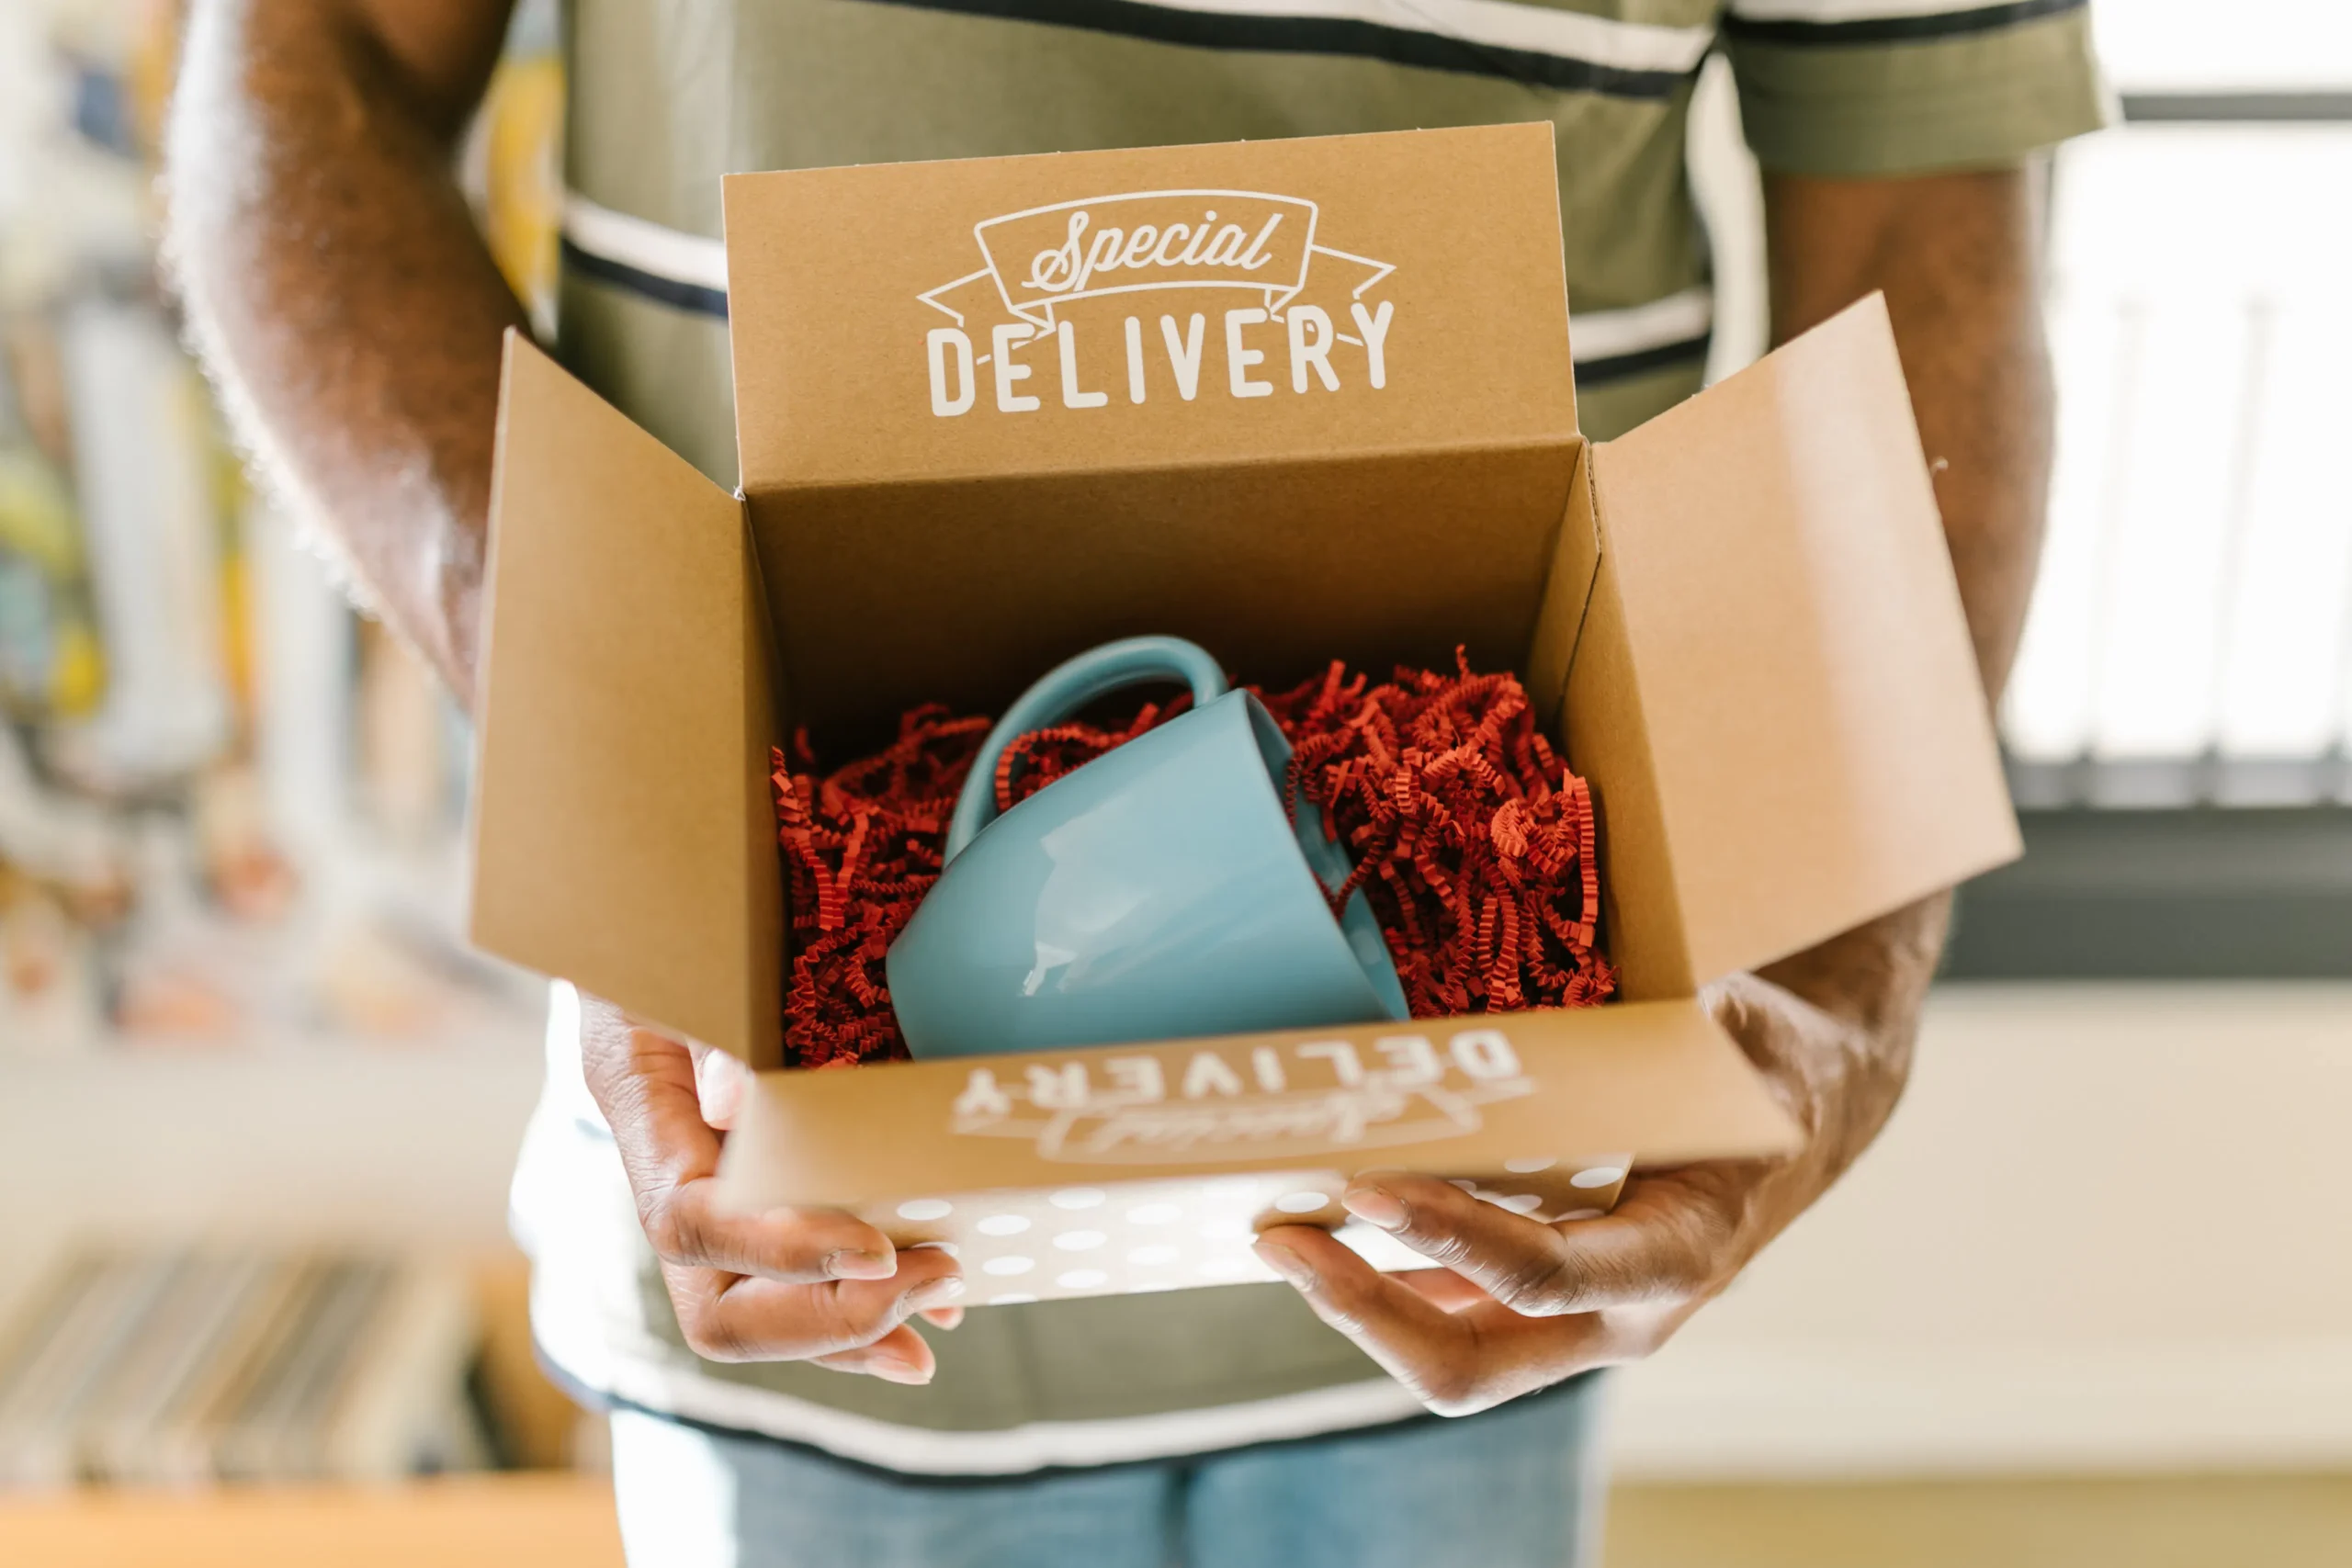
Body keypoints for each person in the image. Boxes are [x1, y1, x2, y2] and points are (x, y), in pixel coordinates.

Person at [165, 2, 2106, 1562]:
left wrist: (1844, 983)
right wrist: (615, 753)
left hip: (1475, 1212)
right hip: (801, 1227)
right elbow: (296, 54)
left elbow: (1931, 225)